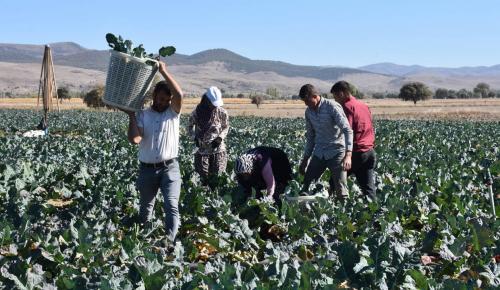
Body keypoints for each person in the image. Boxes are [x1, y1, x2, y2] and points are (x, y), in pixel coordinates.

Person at [123, 61, 183, 245]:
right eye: (160, 98)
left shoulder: (173, 113)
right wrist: (131, 115)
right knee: (145, 208)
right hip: (147, 169)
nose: (162, 102)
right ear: (154, 95)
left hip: (170, 168)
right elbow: (135, 139)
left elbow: (180, 94)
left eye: (166, 100)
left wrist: (163, 71)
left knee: (171, 205)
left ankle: (169, 242)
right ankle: (143, 242)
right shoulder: (143, 114)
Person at [298, 84, 353, 199]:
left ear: (315, 96)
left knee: (341, 189)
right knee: (307, 185)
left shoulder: (332, 106)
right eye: (304, 101)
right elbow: (311, 137)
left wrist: (348, 155)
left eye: (307, 101)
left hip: (337, 151)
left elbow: (347, 130)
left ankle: (343, 213)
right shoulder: (309, 112)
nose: (306, 104)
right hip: (319, 152)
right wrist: (305, 159)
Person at [330, 81, 377, 200]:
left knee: (334, 181)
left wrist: (347, 155)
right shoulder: (363, 106)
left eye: (335, 97)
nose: (335, 100)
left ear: (341, 93)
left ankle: (330, 209)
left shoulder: (347, 107)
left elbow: (347, 131)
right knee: (368, 189)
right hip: (369, 151)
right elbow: (371, 127)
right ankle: (376, 215)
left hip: (356, 152)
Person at [187, 86, 229, 186]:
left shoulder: (222, 112)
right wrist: (195, 138)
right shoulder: (196, 113)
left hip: (218, 151)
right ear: (207, 101)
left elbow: (225, 127)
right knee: (202, 181)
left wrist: (220, 137)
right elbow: (189, 127)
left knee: (218, 180)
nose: (215, 106)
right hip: (202, 151)